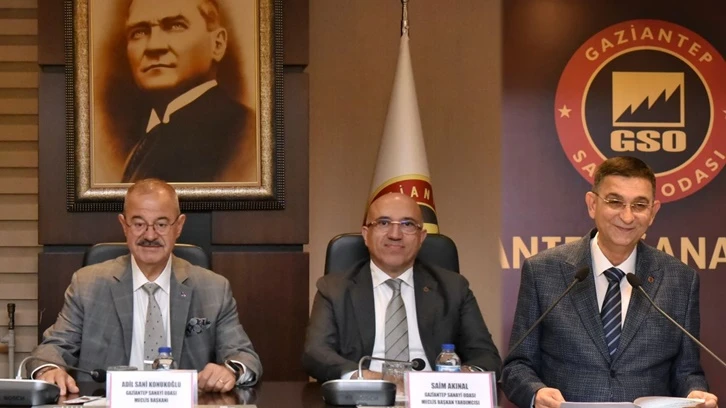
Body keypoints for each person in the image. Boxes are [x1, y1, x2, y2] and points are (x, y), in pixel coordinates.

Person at [501, 156, 718, 408]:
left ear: (653, 212)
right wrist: (535, 392)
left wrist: (695, 393)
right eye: (615, 202)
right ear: (592, 204)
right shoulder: (543, 271)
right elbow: (517, 366)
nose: (627, 216)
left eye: (639, 205)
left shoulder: (680, 280)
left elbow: (687, 371)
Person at [29, 179, 262, 395]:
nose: (150, 235)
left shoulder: (213, 288)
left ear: (179, 226)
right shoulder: (87, 285)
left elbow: (244, 356)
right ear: (124, 225)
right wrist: (49, 370)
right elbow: (53, 348)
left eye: (161, 224)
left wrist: (230, 370)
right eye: (139, 223)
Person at [302, 193, 501, 382]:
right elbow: (315, 354)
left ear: (421, 237)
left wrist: (462, 378)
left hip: (434, 396)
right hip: (365, 395)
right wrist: (369, 378)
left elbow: (486, 356)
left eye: (407, 224)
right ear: (366, 234)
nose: (395, 235)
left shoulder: (453, 288)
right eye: (383, 223)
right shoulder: (334, 289)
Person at [120, 0, 256, 183]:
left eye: (176, 26)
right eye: (139, 32)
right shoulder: (143, 141)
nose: (153, 46)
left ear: (217, 44)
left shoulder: (246, 135)